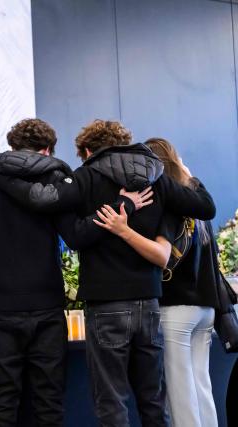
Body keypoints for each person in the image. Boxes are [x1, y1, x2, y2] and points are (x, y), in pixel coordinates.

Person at [0, 120, 216, 427]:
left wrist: (2, 180)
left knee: (111, 401)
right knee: (153, 401)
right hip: (149, 302)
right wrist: (184, 174)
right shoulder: (155, 176)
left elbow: (64, 223)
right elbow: (206, 207)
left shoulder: (86, 177)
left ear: (88, 151)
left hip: (107, 303)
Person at [0, 118, 149, 427]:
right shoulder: (54, 179)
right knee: (49, 402)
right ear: (48, 149)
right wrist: (123, 206)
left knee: (0, 402)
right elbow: (77, 234)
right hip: (47, 307)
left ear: (12, 147)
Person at [93, 137, 219, 427]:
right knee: (202, 388)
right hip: (205, 309)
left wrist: (124, 231)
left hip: (175, 309)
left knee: (180, 394)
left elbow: (162, 255)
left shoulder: (168, 203)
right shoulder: (198, 206)